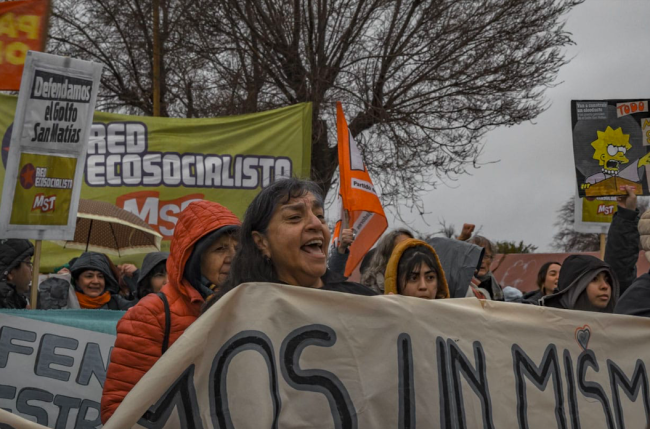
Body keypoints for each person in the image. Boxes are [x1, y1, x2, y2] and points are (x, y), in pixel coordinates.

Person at [101, 200, 241, 424]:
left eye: (238, 247)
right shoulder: (151, 314)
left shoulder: (246, 307)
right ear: (194, 259)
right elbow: (119, 408)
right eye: (220, 248)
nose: (233, 257)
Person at [205, 178, 376, 313]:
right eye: (294, 217)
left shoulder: (363, 302)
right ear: (261, 242)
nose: (316, 224)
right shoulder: (231, 312)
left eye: (320, 216)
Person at [541, 254, 619, 312]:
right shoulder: (545, 323)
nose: (605, 286)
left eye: (607, 280)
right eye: (594, 279)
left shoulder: (614, 327)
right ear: (574, 287)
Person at [383, 239, 449, 300]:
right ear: (397, 284)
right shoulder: (377, 312)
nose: (423, 286)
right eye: (413, 278)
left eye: (430, 277)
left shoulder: (451, 312)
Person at [70, 252, 136, 310]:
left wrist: (135, 275)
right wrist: (61, 282)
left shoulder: (115, 302)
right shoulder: (67, 301)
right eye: (89, 276)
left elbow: (140, 309)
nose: (96, 281)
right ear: (77, 281)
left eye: (100, 276)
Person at [360, 229, 414, 293]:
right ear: (387, 255)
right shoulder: (370, 288)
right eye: (401, 249)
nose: (409, 254)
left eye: (411, 248)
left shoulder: (422, 281)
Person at [0, 239, 34, 309]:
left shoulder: (11, 300)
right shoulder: (6, 301)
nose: (32, 270)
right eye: (28, 263)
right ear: (10, 273)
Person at [469, 235, 504, 300]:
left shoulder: (495, 287)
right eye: (477, 256)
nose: (482, 261)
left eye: (486, 256)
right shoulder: (461, 284)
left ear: (491, 259)